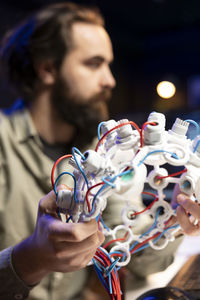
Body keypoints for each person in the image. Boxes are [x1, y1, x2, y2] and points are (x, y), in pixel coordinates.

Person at [0, 2, 188, 300]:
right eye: (93, 63)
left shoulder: (102, 154)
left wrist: (175, 220)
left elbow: (138, 259)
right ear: (47, 68)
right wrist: (29, 259)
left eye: (109, 65)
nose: (110, 80)